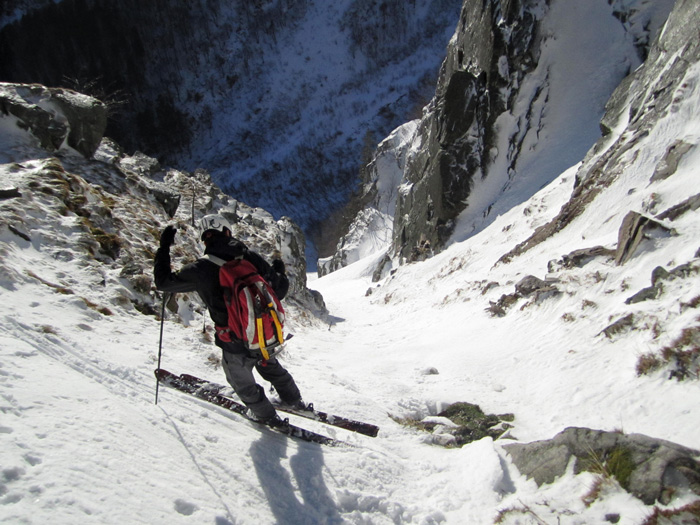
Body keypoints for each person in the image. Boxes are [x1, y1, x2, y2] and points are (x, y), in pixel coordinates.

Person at [154, 214, 305, 424]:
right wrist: (277, 271)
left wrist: (164, 248)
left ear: (204, 239)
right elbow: (279, 291)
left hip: (233, 341)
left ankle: (265, 416)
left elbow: (164, 282)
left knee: (241, 381)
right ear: (227, 232)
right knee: (268, 363)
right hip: (260, 332)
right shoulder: (249, 257)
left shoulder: (200, 269)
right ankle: (293, 399)